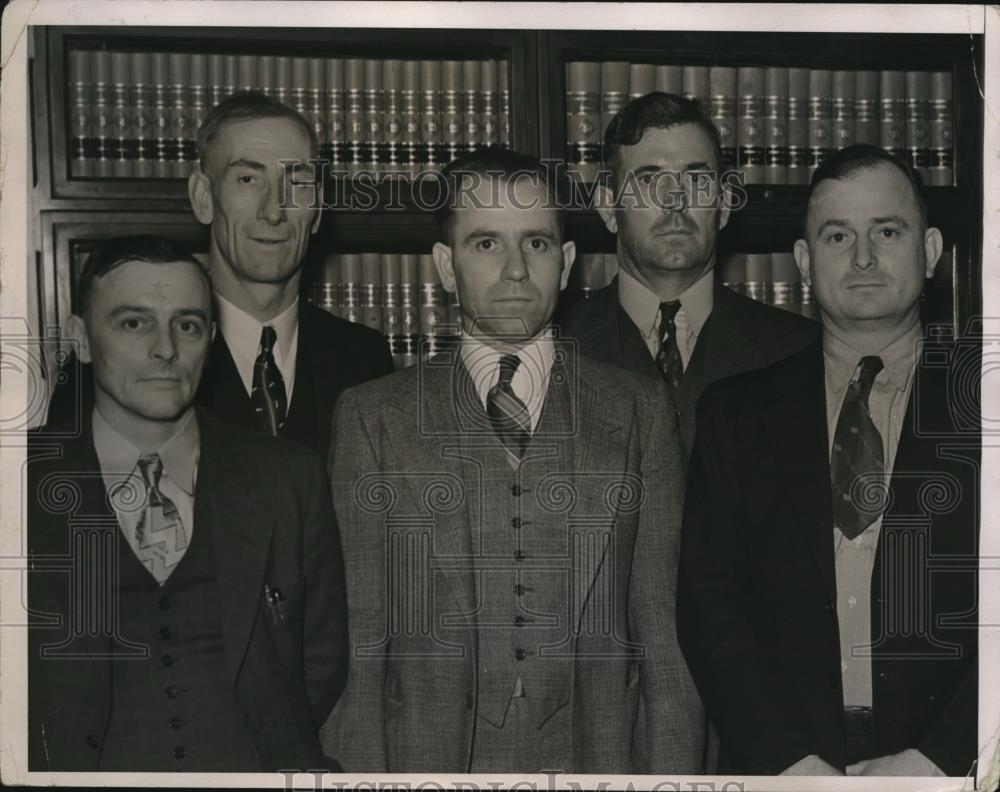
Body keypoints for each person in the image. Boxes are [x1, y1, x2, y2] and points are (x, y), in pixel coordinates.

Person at [320, 149, 701, 773]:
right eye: (486, 244)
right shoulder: (374, 418)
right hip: (429, 760)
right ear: (446, 265)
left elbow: (665, 640)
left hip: (599, 756)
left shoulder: (639, 412)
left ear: (568, 263)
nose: (516, 271)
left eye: (537, 244)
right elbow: (359, 645)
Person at [677, 145, 979, 777]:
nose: (863, 258)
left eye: (886, 232)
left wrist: (937, 761)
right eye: (838, 235)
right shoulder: (735, 415)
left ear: (928, 251)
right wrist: (789, 765)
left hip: (954, 762)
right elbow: (710, 608)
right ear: (805, 262)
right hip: (784, 767)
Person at [27, 236, 349, 772]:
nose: (166, 349)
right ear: (80, 339)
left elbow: (321, 663)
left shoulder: (286, 477)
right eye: (134, 323)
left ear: (212, 339)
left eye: (188, 325)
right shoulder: (17, 483)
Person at [45, 92, 394, 457]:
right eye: (247, 179)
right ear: (204, 198)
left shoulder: (364, 359)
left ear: (318, 209)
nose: (274, 211)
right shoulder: (117, 360)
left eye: (297, 182)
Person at [562, 92, 818, 456]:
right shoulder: (556, 353)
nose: (675, 199)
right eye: (650, 181)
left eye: (696, 180)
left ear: (725, 205)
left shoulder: (799, 352)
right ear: (607, 209)